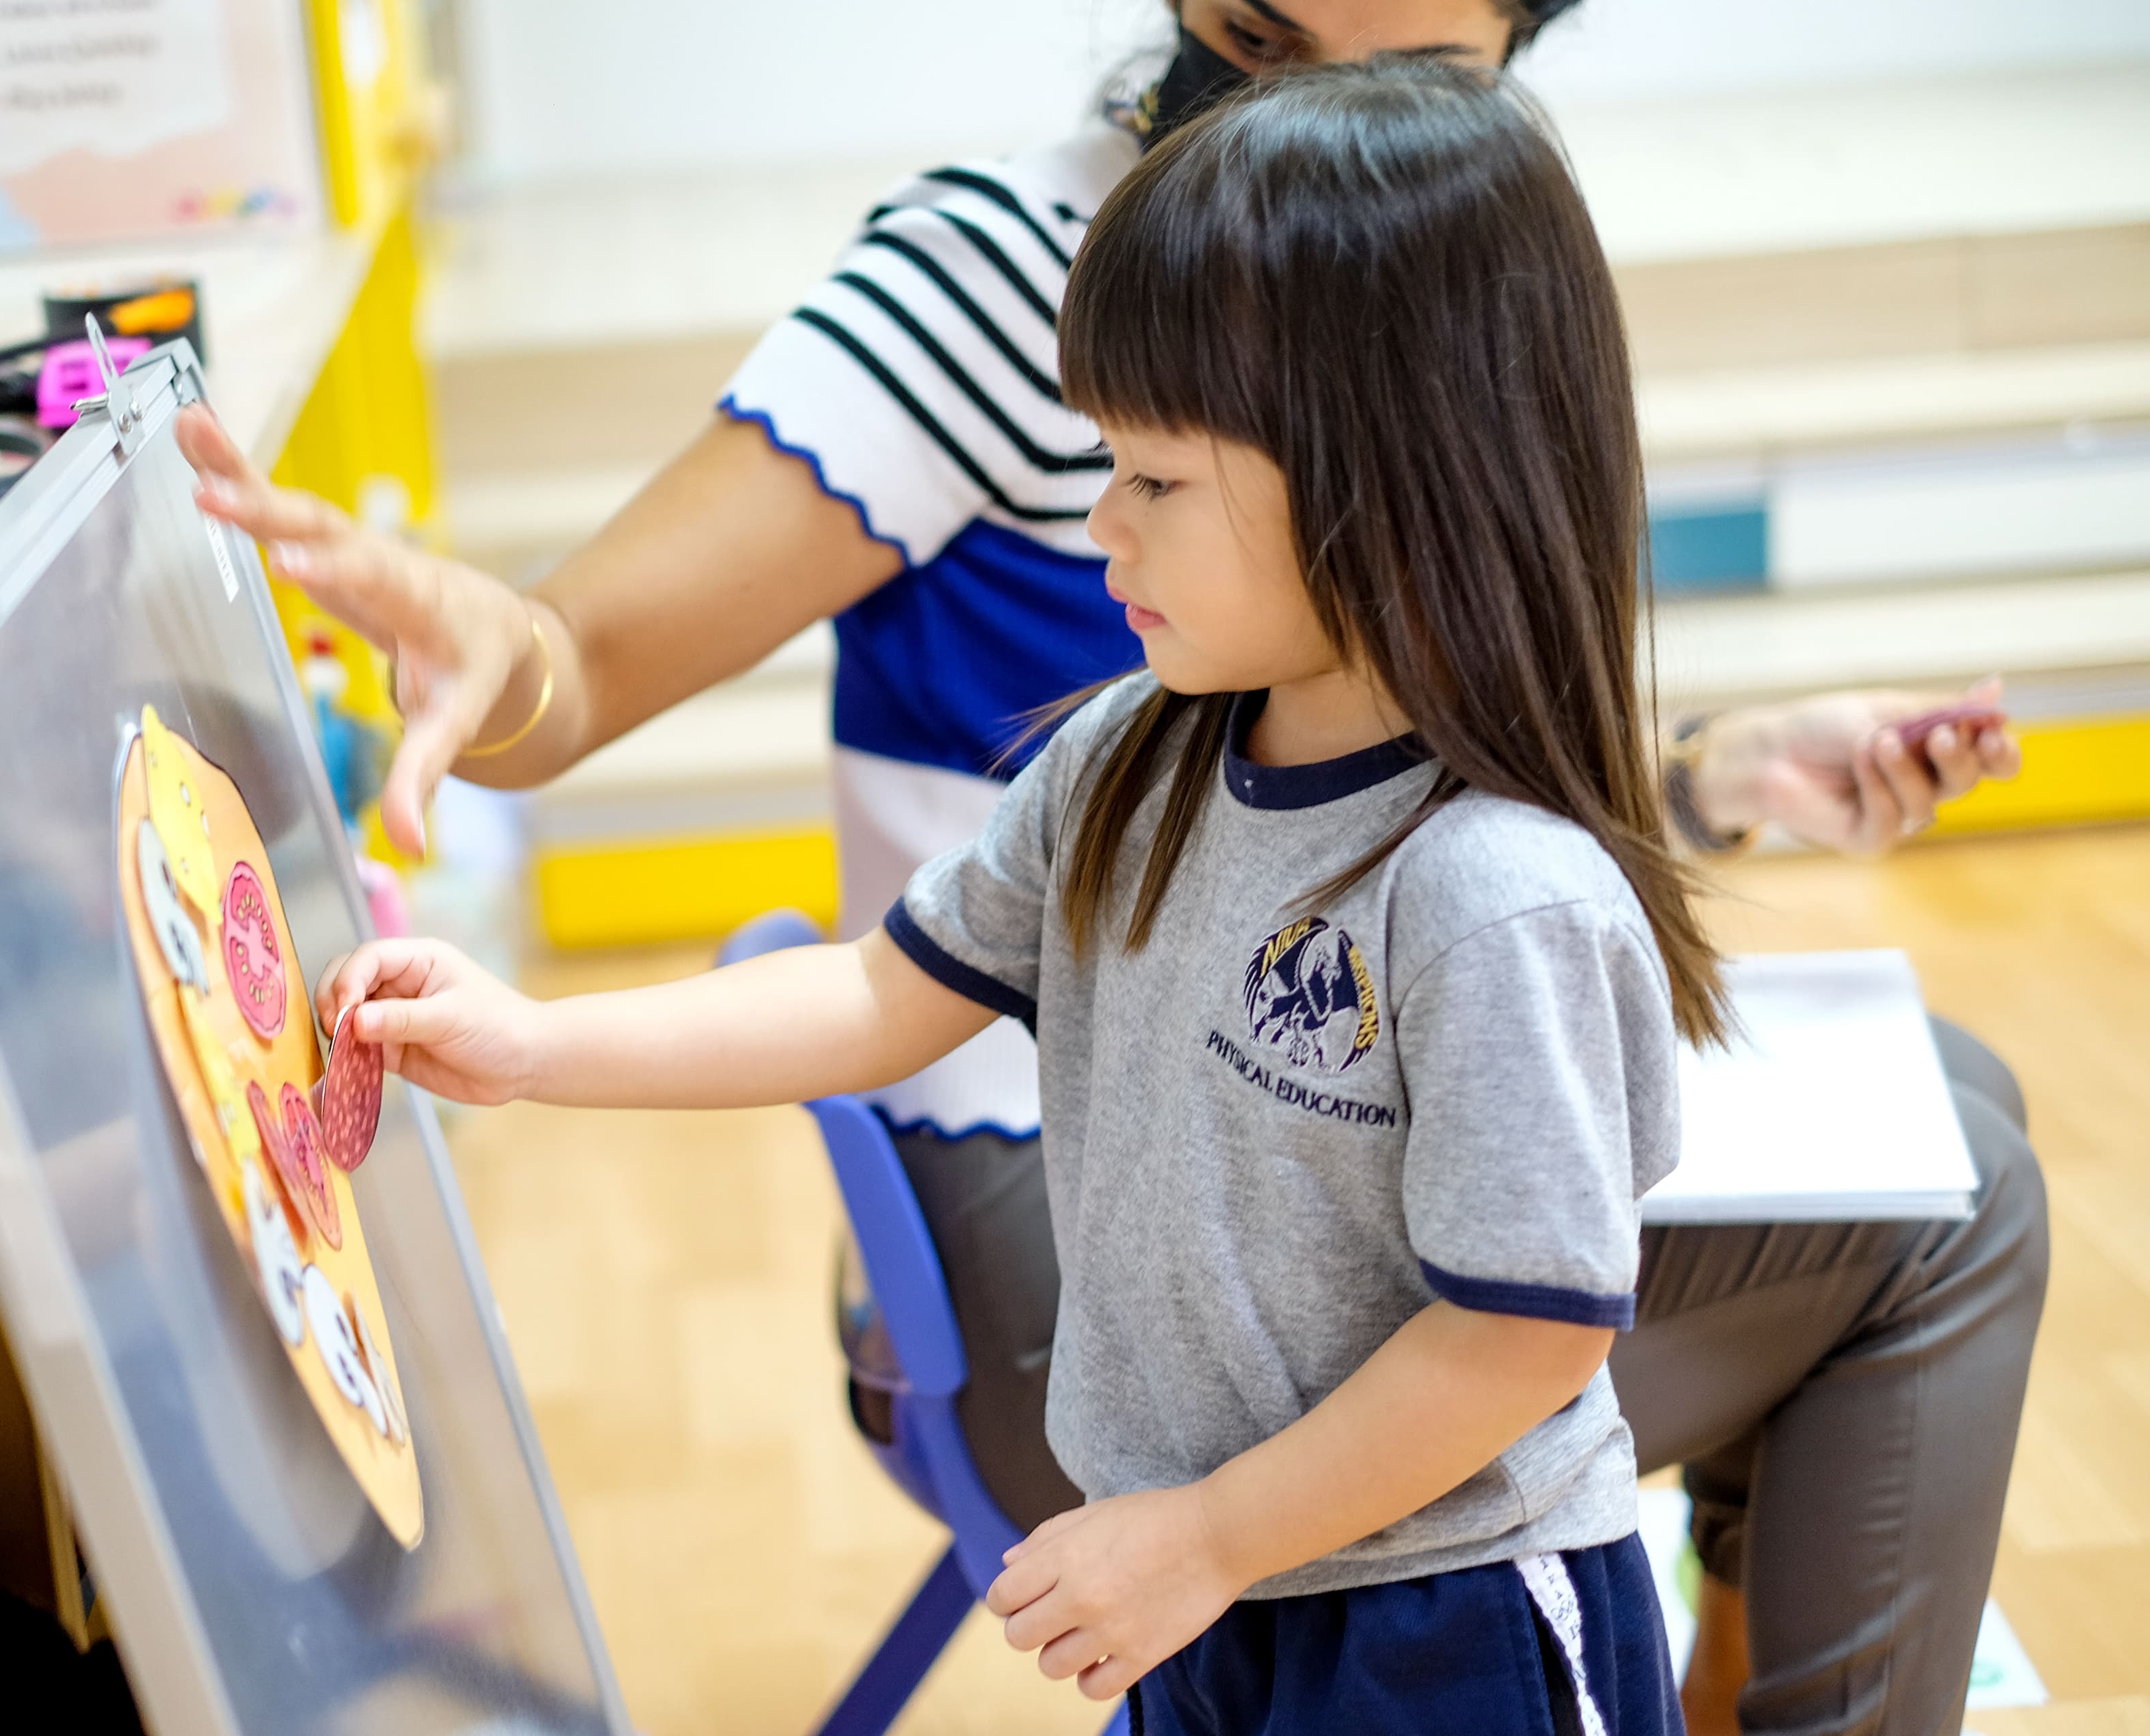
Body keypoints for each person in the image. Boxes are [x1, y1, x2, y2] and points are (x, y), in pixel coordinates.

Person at [178, 5, 2047, 1731]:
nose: (1100, 529)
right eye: (1106, 463)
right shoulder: (1131, 760)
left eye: (1151, 482)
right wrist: (528, 1041)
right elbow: (873, 988)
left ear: (1386, 475)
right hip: (1209, 1567)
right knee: (1952, 1195)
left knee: (1960, 1145)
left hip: (1430, 1611)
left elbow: (1525, 1327)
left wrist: (1220, 1533)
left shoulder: (1493, 897)